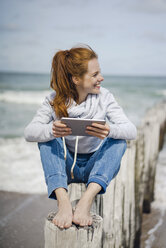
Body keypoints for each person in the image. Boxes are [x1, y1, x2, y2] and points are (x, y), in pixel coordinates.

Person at [24, 44, 137, 229]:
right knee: (46, 140)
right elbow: (29, 132)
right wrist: (52, 130)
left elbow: (131, 130)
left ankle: (86, 201)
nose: (101, 78)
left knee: (119, 141)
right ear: (76, 78)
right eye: (94, 75)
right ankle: (64, 202)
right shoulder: (53, 100)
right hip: (67, 165)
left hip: (94, 165)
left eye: (99, 72)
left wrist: (109, 130)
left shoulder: (105, 97)